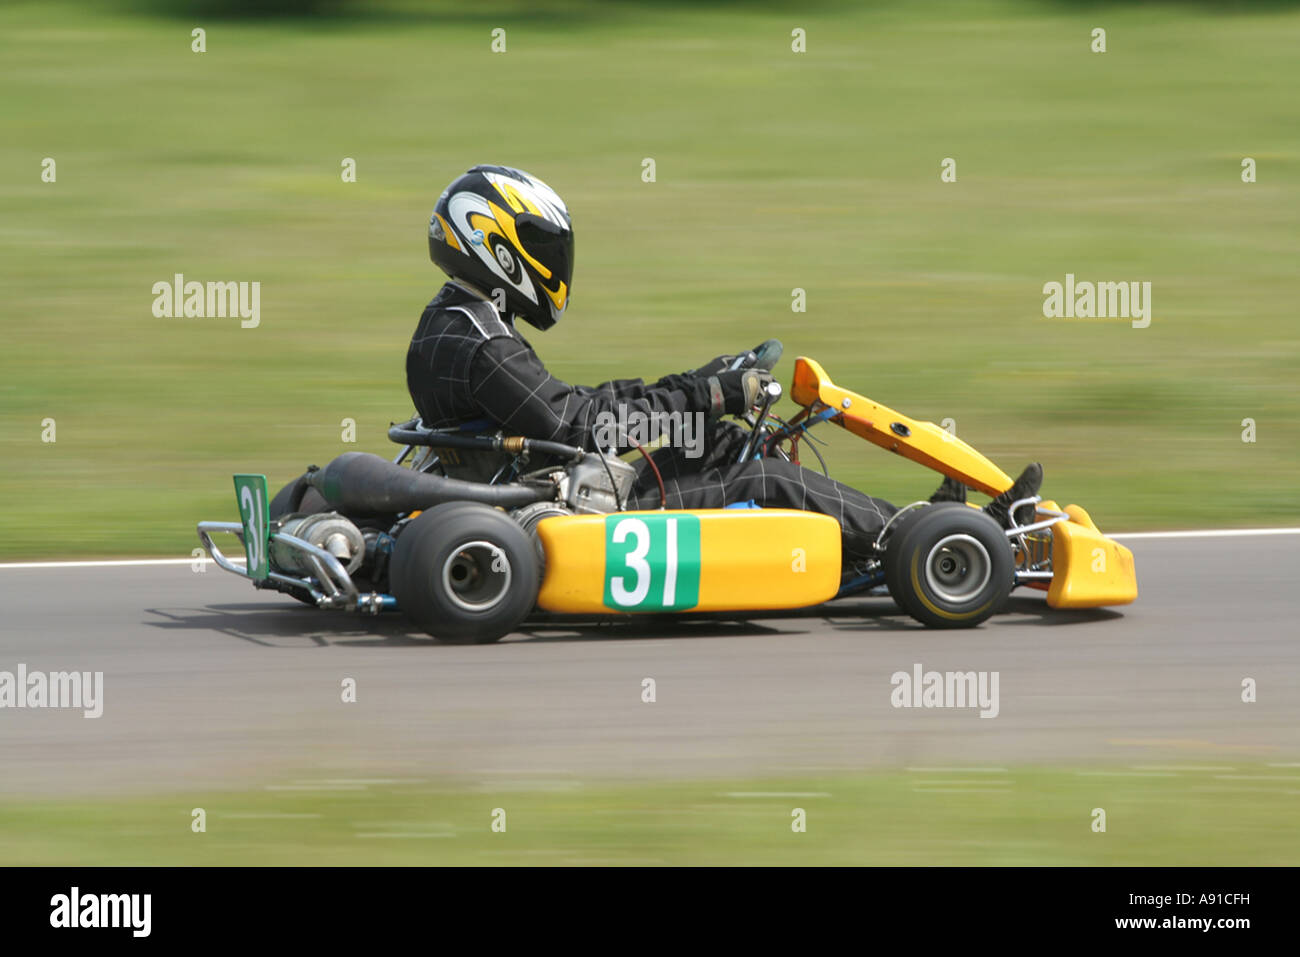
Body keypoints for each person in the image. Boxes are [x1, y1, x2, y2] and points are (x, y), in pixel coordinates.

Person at [406, 165, 1042, 563]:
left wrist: (697, 390)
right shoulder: (482, 343)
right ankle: (932, 542)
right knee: (767, 477)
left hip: (550, 483)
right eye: (542, 246)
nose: (555, 261)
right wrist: (705, 393)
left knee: (723, 444)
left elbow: (569, 406)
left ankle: (914, 528)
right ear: (493, 244)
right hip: (572, 509)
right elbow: (581, 428)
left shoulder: (455, 322)